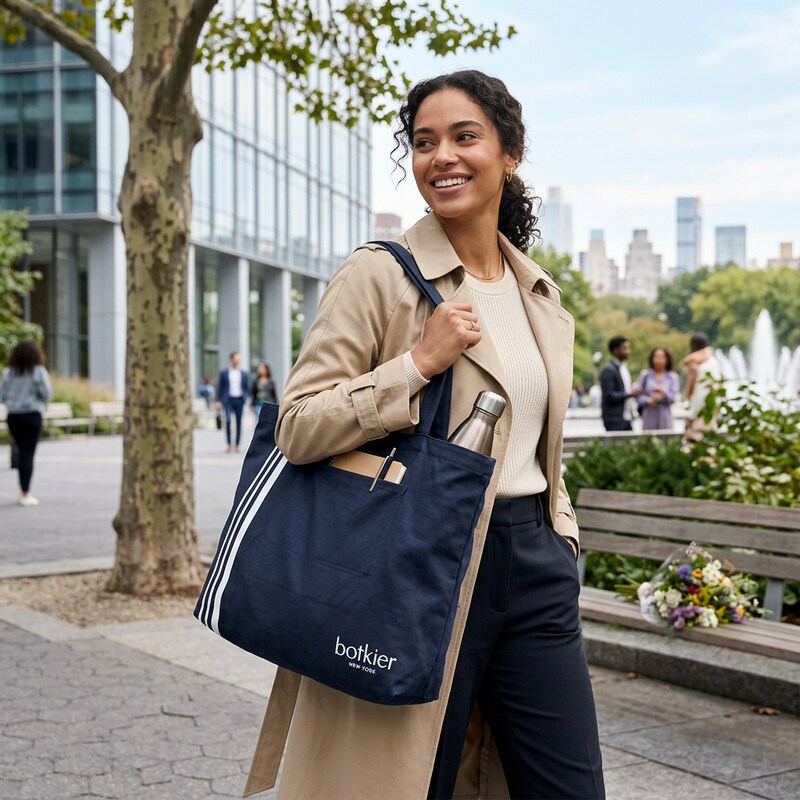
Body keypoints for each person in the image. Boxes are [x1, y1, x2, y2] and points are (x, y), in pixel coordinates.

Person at [244, 70, 604, 800]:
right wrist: (415, 365)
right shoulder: (379, 276)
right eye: (423, 142)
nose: (442, 155)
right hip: (418, 567)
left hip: (533, 566)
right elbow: (298, 425)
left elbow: (538, 438)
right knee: (409, 787)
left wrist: (561, 532)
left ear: (510, 154)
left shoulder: (539, 294)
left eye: (465, 136)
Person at [1, 340, 52, 506]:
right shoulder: (38, 371)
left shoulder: (8, 372)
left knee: (21, 450)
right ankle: (25, 492)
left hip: (14, 416)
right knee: (28, 453)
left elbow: (2, 395)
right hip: (32, 415)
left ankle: (23, 489)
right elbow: (47, 393)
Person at [681, 332, 722, 442]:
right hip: (712, 409)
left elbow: (697, 393)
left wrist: (691, 415)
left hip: (700, 411)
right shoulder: (713, 362)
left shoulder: (695, 364)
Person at [600, 336, 641, 431]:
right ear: (615, 350)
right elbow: (609, 395)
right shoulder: (609, 370)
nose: (628, 351)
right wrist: (630, 394)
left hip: (626, 417)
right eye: (625, 348)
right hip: (614, 419)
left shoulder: (623, 368)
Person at [635, 347, 680, 431]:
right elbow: (637, 395)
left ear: (667, 359)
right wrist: (648, 400)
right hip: (649, 415)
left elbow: (673, 398)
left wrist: (663, 393)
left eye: (661, 357)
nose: (658, 360)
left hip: (665, 416)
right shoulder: (645, 375)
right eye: (656, 357)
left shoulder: (672, 377)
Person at [216, 351, 249, 452]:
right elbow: (220, 387)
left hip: (239, 400)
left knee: (239, 422)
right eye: (236, 359)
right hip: (228, 400)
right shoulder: (224, 373)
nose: (237, 361)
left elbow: (247, 387)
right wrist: (218, 401)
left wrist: (245, 397)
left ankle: (237, 444)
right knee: (228, 421)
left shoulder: (243, 373)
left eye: (238, 359)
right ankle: (229, 444)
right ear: (231, 360)